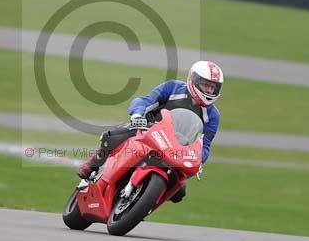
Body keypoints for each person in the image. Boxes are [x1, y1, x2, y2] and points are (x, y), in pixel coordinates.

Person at [76, 61, 223, 202]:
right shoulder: (172, 88)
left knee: (179, 191)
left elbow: (205, 145)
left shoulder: (213, 116)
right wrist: (137, 115)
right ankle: (93, 162)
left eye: (213, 87)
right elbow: (145, 100)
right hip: (148, 129)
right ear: (194, 80)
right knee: (116, 136)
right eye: (205, 85)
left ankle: (142, 202)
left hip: (176, 149)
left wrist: (198, 159)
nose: (209, 90)